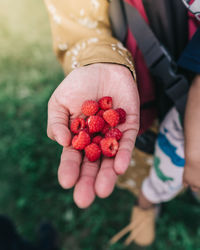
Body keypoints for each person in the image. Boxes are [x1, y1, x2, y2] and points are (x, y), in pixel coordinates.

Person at [44, 0, 200, 246]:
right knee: (139, 157)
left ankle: (186, 185)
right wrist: (99, 57)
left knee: (189, 161)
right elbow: (74, 15)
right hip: (136, 74)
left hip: (190, 71)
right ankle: (146, 200)